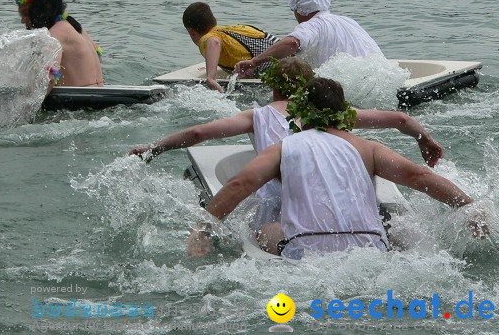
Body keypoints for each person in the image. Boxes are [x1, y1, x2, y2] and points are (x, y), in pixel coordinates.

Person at [186, 78, 484, 260]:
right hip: (370, 252)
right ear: (344, 113)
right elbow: (420, 177)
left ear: (300, 112)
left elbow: (241, 184)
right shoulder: (368, 148)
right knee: (389, 222)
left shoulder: (284, 148)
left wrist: (202, 230)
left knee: (266, 229)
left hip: (306, 254)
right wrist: (470, 207)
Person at [130, 57, 444, 230]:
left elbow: (199, 133)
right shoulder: (335, 114)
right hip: (342, 203)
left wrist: (152, 149)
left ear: (272, 86)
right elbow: (401, 119)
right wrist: (424, 139)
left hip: (281, 209)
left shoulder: (256, 116)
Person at [235, 0, 383, 75]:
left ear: (299, 10)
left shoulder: (313, 25)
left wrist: (254, 62)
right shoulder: (348, 21)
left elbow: (292, 43)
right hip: (379, 73)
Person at [16, 0, 103, 88]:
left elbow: (49, 80)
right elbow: (99, 58)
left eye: (26, 14)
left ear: (42, 9)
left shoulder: (55, 34)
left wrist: (25, 102)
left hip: (81, 104)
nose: (23, 20)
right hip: (99, 94)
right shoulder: (75, 26)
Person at [182, 2, 278, 92]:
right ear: (215, 20)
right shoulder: (235, 29)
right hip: (289, 61)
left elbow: (214, 42)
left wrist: (211, 78)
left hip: (275, 71)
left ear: (192, 32)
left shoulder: (207, 38)